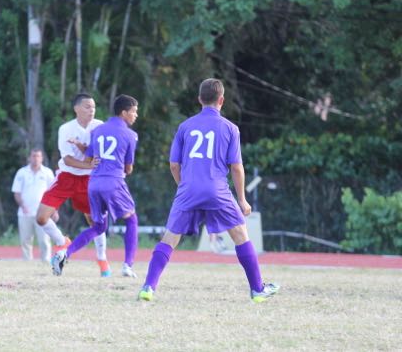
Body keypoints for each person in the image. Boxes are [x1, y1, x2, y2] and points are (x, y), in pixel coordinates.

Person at [138, 79, 279, 302]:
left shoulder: (185, 127)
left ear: (199, 100)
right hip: (217, 190)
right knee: (241, 236)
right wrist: (242, 199)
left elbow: (174, 164)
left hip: (188, 190)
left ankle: (148, 287)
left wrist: (183, 187)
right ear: (221, 100)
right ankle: (257, 290)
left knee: (169, 239)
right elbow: (236, 167)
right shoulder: (231, 128)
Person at [52, 94, 140, 278]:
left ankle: (64, 254)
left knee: (99, 227)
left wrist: (80, 146)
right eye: (134, 112)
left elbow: (90, 159)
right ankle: (127, 265)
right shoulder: (131, 135)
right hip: (113, 182)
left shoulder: (98, 130)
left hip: (94, 183)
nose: (135, 115)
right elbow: (128, 169)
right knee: (131, 220)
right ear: (124, 113)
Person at [35, 93, 111, 277]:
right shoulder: (66, 129)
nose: (91, 110)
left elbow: (102, 152)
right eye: (87, 106)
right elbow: (67, 159)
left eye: (93, 107)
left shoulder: (100, 126)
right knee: (41, 218)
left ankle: (102, 259)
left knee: (96, 222)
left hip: (89, 180)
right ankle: (63, 242)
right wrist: (87, 163)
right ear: (76, 108)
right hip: (67, 178)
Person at [11, 149, 55, 262]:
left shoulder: (47, 173)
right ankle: (27, 261)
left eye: (38, 156)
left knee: (44, 239)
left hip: (42, 213)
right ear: (29, 158)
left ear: (42, 158)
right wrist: (22, 205)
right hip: (25, 212)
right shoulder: (22, 172)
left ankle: (46, 261)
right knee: (25, 240)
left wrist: (54, 210)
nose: (36, 159)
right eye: (33, 156)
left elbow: (53, 193)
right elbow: (16, 192)